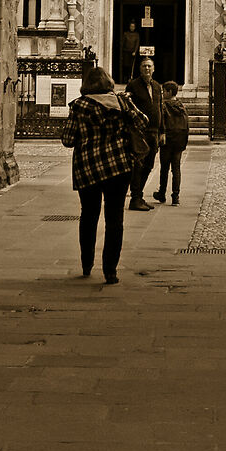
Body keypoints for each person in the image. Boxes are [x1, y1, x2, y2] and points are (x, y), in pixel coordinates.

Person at [61, 55, 137, 285]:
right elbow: (143, 122)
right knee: (115, 219)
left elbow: (68, 140)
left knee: (89, 215)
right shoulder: (121, 103)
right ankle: (110, 270)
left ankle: (86, 263)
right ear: (108, 83)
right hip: (118, 167)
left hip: (88, 169)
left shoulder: (79, 106)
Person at [126, 50, 164, 211]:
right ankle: (135, 198)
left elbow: (160, 108)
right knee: (138, 165)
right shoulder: (133, 85)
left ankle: (139, 196)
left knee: (149, 165)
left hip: (154, 132)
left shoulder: (157, 86)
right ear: (140, 69)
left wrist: (162, 131)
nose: (147, 69)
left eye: (149, 66)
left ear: (154, 69)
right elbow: (128, 107)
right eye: (144, 66)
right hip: (139, 132)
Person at [154, 77, 188, 206]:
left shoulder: (164, 106)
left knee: (164, 168)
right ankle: (175, 196)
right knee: (176, 169)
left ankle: (162, 193)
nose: (163, 93)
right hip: (179, 141)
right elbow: (186, 125)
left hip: (167, 141)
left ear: (169, 92)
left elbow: (161, 122)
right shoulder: (181, 107)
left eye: (164, 91)